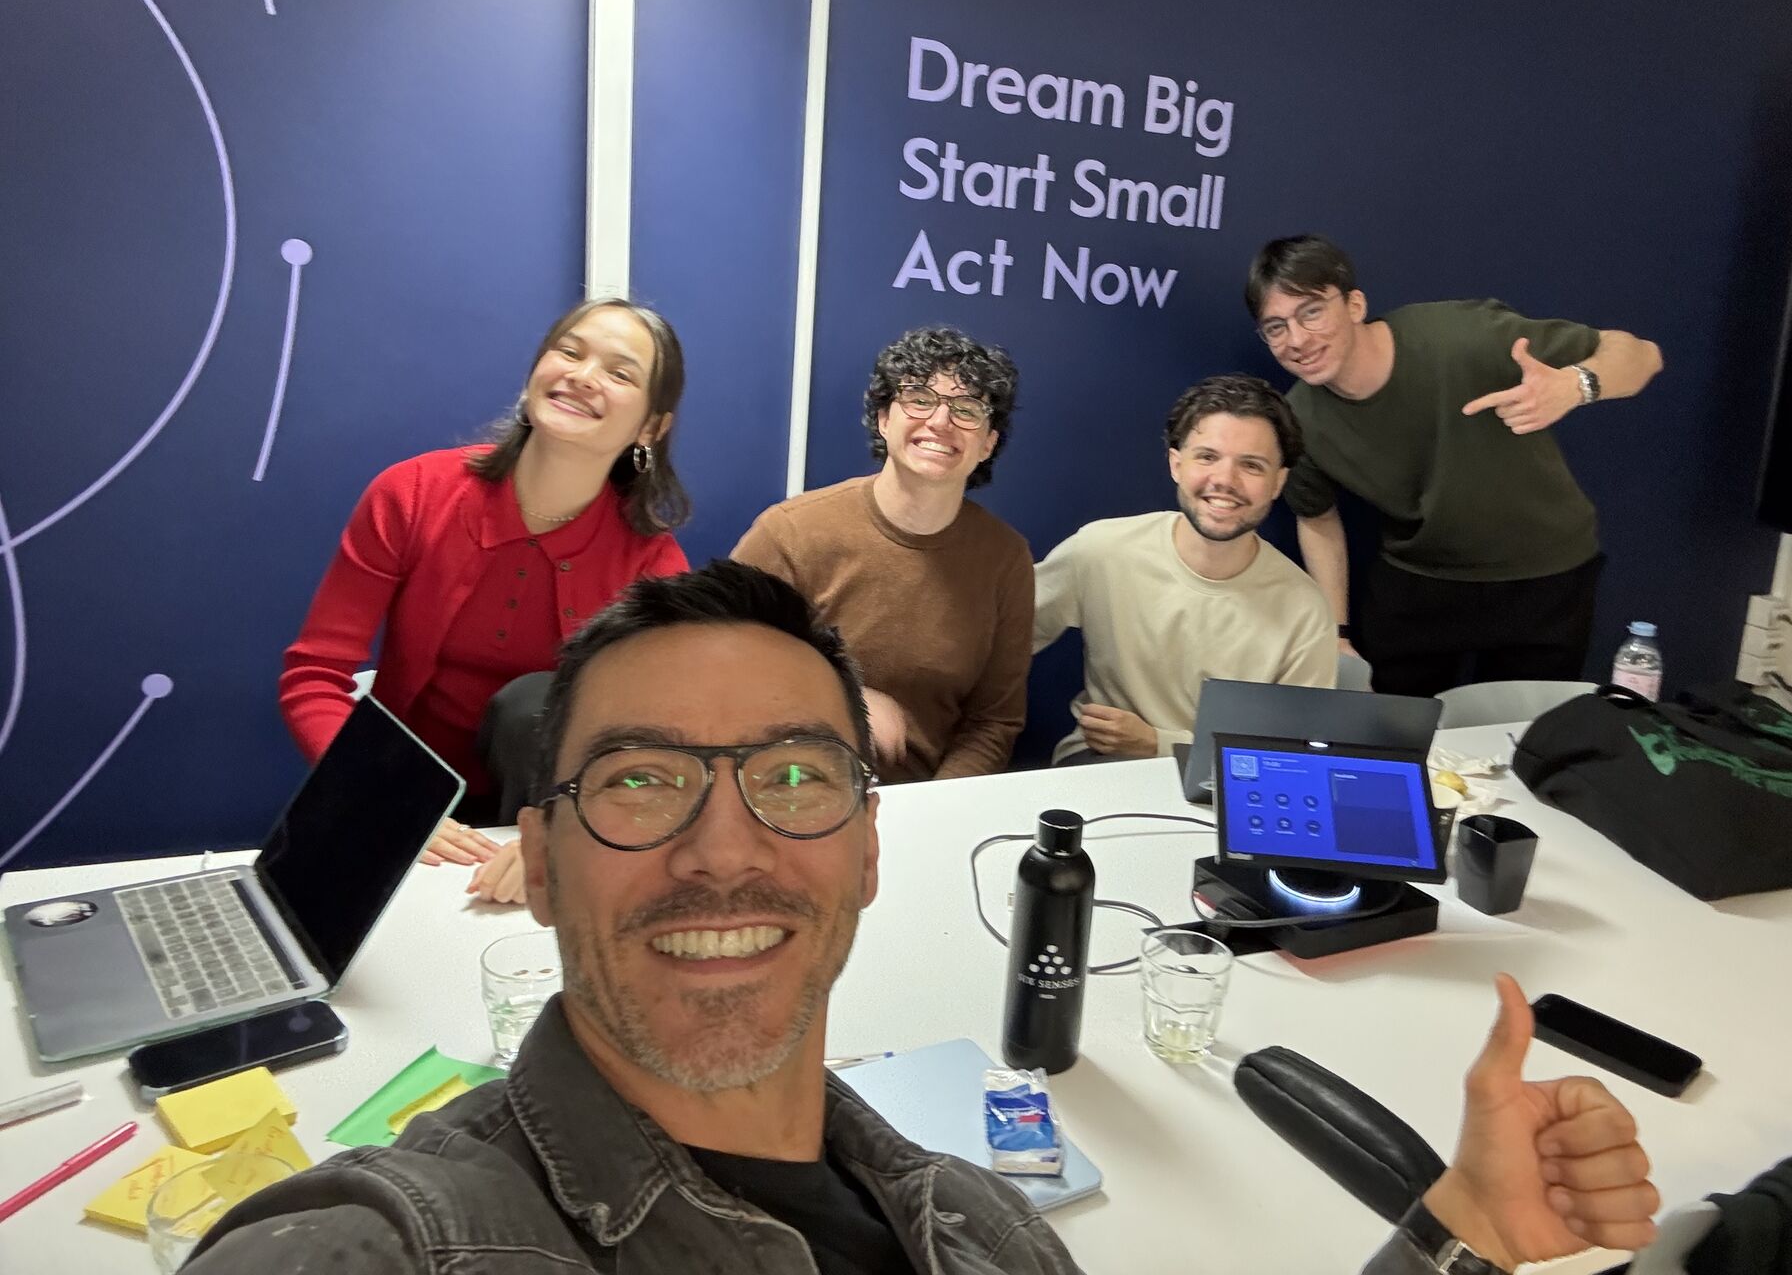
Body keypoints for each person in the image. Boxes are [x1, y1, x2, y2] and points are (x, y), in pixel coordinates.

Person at [185, 561, 1661, 1275]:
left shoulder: (984, 1227)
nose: (723, 850)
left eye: (792, 777)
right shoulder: (404, 1247)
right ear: (544, 859)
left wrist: (1461, 1235)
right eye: (640, 781)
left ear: (869, 850)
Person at [280, 297, 689, 884]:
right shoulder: (412, 493)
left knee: (537, 702)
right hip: (398, 801)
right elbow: (314, 676)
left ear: (651, 426)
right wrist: (379, 796)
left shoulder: (652, 562)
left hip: (547, 815)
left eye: (620, 373)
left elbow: (656, 735)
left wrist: (567, 825)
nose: (582, 376)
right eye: (569, 352)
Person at [1247, 235, 1663, 698]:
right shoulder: (1299, 419)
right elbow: (1316, 517)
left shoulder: (1463, 337)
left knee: (1526, 734)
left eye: (1311, 312)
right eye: (1276, 327)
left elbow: (1642, 356)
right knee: (1390, 731)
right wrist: (1336, 632)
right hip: (1417, 582)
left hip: (1543, 576)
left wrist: (1575, 386)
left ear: (1355, 305)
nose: (1298, 339)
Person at [733, 327, 1031, 783]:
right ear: (884, 418)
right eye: (919, 399)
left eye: (967, 409)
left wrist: (938, 805)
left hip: (927, 800)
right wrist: (839, 696)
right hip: (785, 787)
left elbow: (994, 722)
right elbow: (721, 668)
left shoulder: (1005, 558)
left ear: (988, 443)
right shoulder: (789, 533)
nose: (941, 421)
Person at [1033, 374, 1336, 763]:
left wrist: (1159, 744)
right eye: (1207, 457)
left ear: (1279, 482)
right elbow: (1000, 638)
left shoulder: (1305, 610)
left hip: (1232, 783)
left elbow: (1294, 757)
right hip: (1102, 762)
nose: (1224, 480)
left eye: (1251, 465)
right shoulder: (1101, 550)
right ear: (1176, 464)